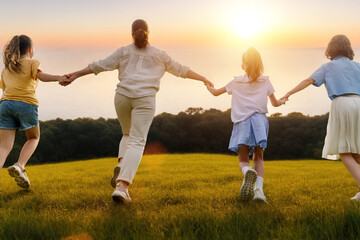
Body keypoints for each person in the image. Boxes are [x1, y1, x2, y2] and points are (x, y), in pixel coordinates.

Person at [60, 19, 213, 203]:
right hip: (145, 100)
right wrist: (203, 78)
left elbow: (98, 65)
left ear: (131, 33)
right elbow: (182, 70)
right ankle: (122, 186)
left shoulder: (123, 51)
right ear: (148, 32)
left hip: (122, 97)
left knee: (127, 134)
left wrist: (75, 74)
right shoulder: (159, 54)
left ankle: (122, 163)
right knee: (138, 141)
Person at [282, 35, 360, 201]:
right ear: (348, 49)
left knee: (345, 151)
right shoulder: (357, 66)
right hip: (358, 103)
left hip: (342, 103)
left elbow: (308, 80)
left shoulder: (328, 67)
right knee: (356, 151)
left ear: (331, 49)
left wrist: (288, 93)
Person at [206, 47, 286, 203]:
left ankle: (248, 171)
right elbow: (275, 103)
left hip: (242, 122)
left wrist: (208, 85)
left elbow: (215, 92)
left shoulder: (236, 82)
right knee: (259, 158)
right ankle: (259, 192)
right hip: (259, 123)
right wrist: (283, 101)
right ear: (260, 65)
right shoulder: (265, 81)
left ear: (243, 65)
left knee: (243, 159)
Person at [0, 35, 67, 188]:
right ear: (30, 49)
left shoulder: (7, 68)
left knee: (4, 146)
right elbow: (41, 76)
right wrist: (59, 77)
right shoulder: (32, 63)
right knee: (33, 138)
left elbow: (4, 86)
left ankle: (19, 167)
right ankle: (20, 165)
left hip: (5, 105)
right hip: (26, 104)